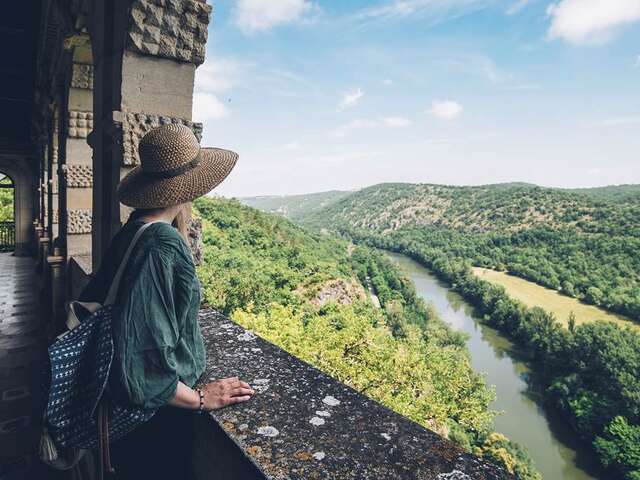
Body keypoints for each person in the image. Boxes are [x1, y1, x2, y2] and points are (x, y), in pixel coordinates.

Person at [78, 124, 254, 479]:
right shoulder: (162, 244)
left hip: (126, 417)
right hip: (154, 420)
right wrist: (202, 399)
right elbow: (143, 355)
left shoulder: (132, 230)